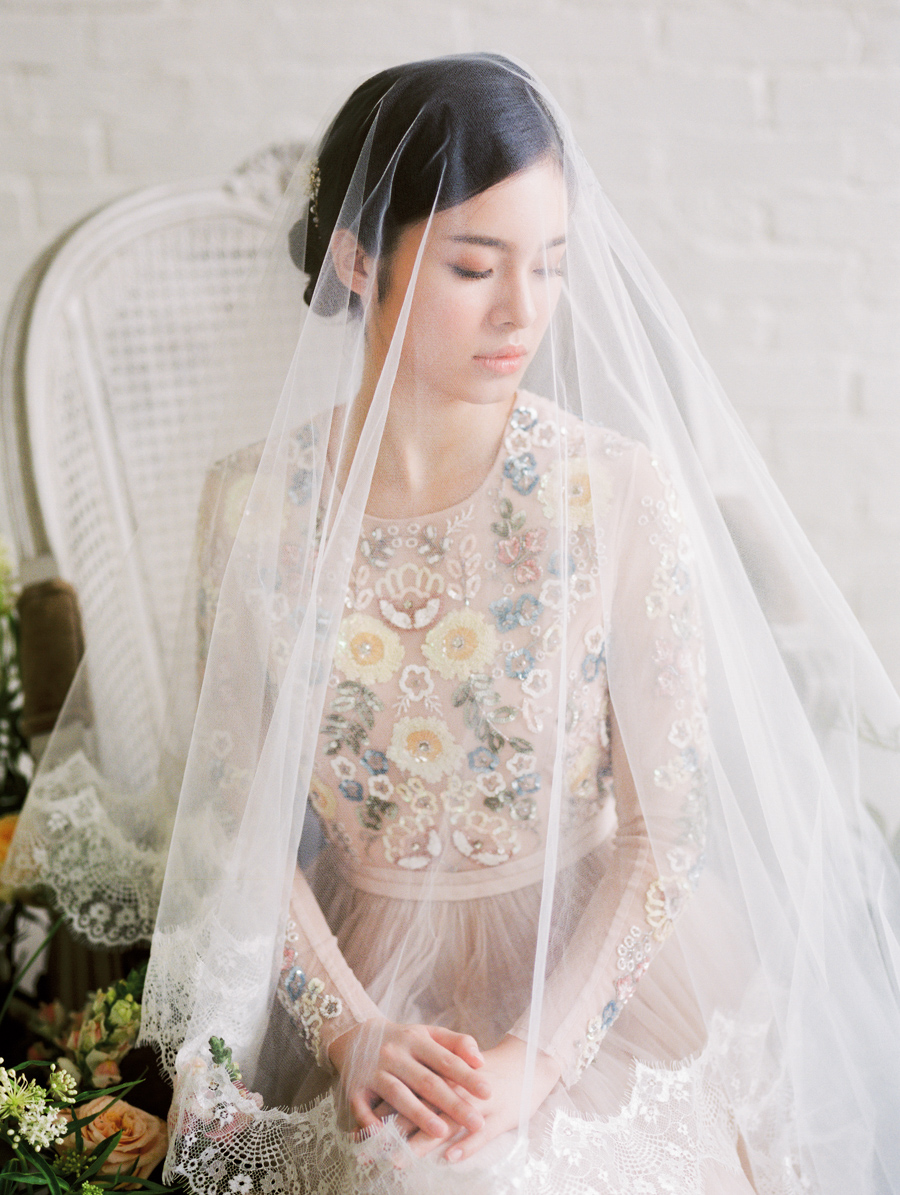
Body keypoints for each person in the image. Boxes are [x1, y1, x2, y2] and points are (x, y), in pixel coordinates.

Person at [10, 54, 900, 1193]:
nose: (523, 311)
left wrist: (540, 1059)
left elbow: (664, 833)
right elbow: (240, 824)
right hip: (364, 977)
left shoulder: (613, 495)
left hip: (596, 983)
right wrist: (351, 1030)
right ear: (358, 258)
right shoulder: (252, 509)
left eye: (551, 265)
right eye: (475, 266)